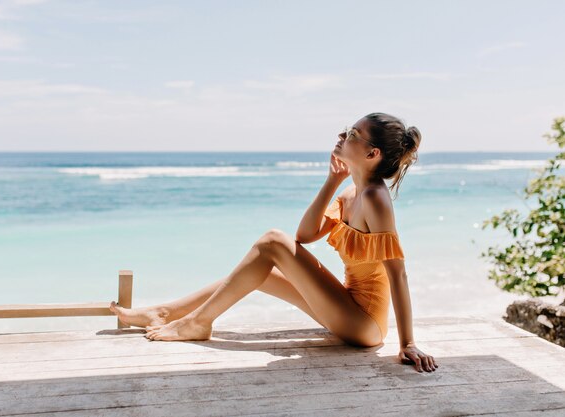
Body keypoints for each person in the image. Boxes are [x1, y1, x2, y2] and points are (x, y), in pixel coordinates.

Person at [110, 112, 438, 373]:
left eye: (353, 134)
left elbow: (399, 274)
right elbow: (305, 236)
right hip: (344, 306)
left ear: (372, 153)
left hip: (364, 326)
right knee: (261, 270)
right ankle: (164, 312)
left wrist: (407, 343)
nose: (341, 136)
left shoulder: (376, 198)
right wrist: (331, 180)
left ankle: (198, 322)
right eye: (345, 129)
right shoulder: (353, 190)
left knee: (271, 240)